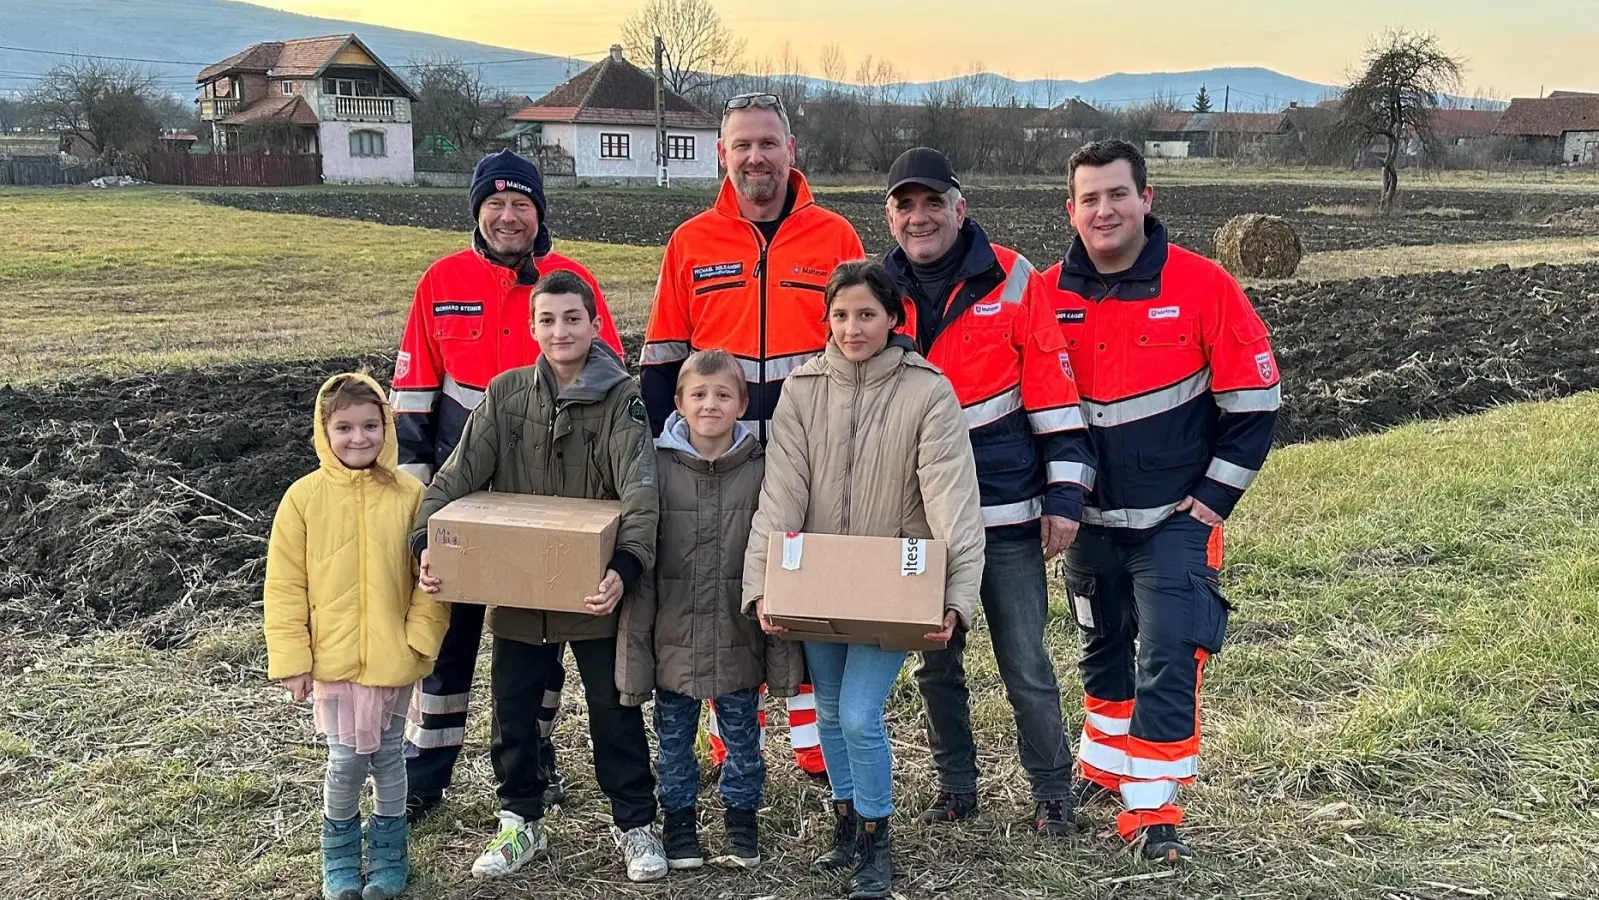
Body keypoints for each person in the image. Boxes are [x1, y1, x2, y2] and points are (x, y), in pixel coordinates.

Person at [1040, 140, 1281, 863]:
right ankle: (1103, 766)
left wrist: (1211, 500)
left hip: (1174, 521)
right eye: (1089, 198)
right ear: (1071, 210)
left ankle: (1152, 808)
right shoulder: (1046, 294)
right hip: (1088, 523)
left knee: (1171, 652)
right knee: (1101, 643)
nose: (1104, 210)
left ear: (1145, 199)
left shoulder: (1205, 285)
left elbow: (1255, 402)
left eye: (1117, 194)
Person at [390, 149, 624, 822]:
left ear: (539, 213)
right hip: (461, 495)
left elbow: (608, 383)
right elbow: (413, 393)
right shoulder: (441, 280)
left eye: (522, 203)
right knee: (445, 641)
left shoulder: (571, 283)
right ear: (477, 212)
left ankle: (535, 764)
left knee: (538, 643)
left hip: (543, 500)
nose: (508, 215)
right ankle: (423, 775)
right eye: (495, 204)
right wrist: (419, 505)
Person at [412, 271, 665, 883]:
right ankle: (520, 819)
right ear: (531, 328)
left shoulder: (623, 400)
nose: (560, 331)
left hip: (594, 589)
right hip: (520, 588)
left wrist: (625, 567)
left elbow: (641, 493)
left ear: (595, 325)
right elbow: (454, 477)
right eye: (547, 320)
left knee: (614, 708)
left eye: (572, 318)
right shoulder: (504, 396)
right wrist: (425, 542)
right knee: (514, 708)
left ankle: (635, 822)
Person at [743, 260, 986, 900]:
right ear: (827, 320)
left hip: (893, 584)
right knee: (827, 709)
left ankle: (878, 838)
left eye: (867, 315)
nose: (853, 328)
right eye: (841, 315)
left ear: (893, 318)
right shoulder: (802, 389)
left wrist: (955, 595)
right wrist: (763, 583)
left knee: (857, 713)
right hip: (819, 579)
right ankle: (847, 821)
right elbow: (782, 491)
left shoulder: (927, 391)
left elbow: (952, 499)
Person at [641, 90, 864, 777]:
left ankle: (811, 742)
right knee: (722, 596)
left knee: (805, 593)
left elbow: (863, 345)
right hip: (719, 462)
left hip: (808, 456)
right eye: (742, 145)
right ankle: (728, 736)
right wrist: (666, 455)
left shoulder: (834, 236)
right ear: (722, 154)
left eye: (768, 143)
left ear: (791, 150)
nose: (755, 157)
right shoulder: (690, 241)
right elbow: (662, 359)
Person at [880, 147, 1095, 835]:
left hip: (1004, 514)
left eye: (932, 203)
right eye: (905, 206)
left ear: (959, 207)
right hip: (918, 520)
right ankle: (956, 787)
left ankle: (1052, 791)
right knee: (935, 667)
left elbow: (1055, 396)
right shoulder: (875, 289)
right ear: (889, 216)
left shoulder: (1013, 277)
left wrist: (1064, 498)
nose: (920, 218)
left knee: (1025, 662)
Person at [263, 372, 450, 900]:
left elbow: (433, 581)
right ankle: (340, 854)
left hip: (394, 658)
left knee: (389, 758)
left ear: (387, 428)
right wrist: (294, 659)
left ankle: (390, 852)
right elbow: (285, 585)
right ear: (324, 431)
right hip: (334, 659)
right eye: (344, 427)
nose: (358, 438)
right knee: (345, 762)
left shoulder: (412, 496)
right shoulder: (303, 500)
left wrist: (418, 643)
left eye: (371, 425)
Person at [628, 349, 805, 872]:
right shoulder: (655, 468)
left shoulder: (761, 468)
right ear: (678, 402)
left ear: (743, 404)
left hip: (737, 636)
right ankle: (679, 824)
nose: (710, 405)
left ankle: (741, 822)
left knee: (744, 740)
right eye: (699, 395)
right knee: (673, 743)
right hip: (673, 638)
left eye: (723, 395)